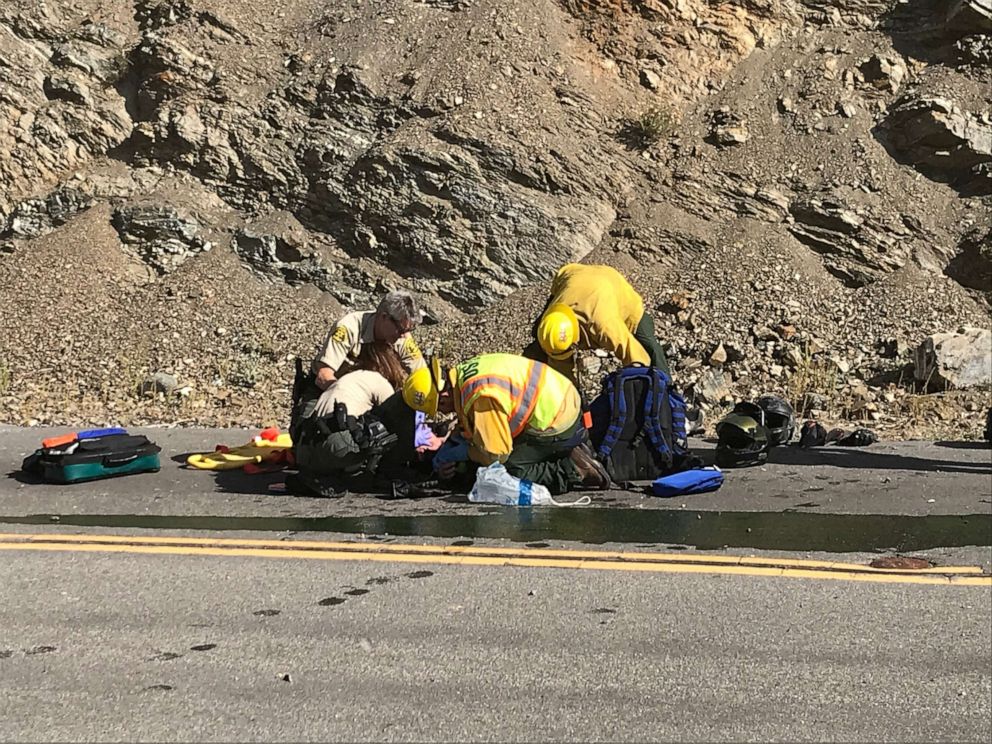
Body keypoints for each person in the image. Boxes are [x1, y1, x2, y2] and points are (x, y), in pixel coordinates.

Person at [401, 353, 610, 494]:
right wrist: (456, 440)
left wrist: (467, 453)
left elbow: (496, 454)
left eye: (439, 407)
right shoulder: (464, 373)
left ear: (443, 395)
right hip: (563, 396)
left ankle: (574, 469)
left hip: (556, 420)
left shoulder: (478, 396)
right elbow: (475, 420)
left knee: (508, 471)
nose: (441, 413)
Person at [523, 263, 670, 379]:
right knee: (545, 355)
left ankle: (668, 391)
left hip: (612, 283)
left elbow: (637, 357)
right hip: (574, 275)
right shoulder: (551, 319)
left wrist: (637, 387)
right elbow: (562, 370)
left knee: (649, 345)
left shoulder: (605, 325)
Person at [308, 290, 426, 417]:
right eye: (400, 329)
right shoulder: (348, 328)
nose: (404, 335)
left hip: (372, 399)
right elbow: (323, 375)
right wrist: (349, 397)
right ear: (384, 317)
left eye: (409, 330)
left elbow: (423, 375)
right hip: (327, 391)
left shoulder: (403, 339)